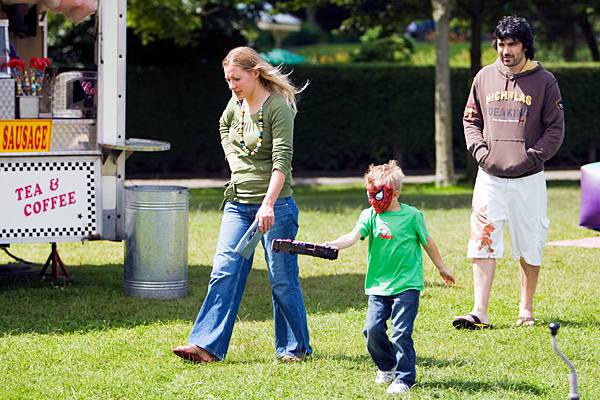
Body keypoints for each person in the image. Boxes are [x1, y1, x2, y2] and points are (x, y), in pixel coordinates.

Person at [173, 46, 312, 362]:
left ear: (255, 73)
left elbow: (282, 161)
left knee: (282, 279)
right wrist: (233, 160)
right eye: (228, 80)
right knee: (224, 270)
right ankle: (206, 346)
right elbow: (223, 127)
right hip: (237, 205)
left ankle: (294, 348)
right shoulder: (235, 105)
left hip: (276, 208)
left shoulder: (278, 108)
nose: (232, 85)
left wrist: (268, 205)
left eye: (236, 78)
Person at [454, 16, 564, 330]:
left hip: (529, 179)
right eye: (501, 44)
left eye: (512, 44)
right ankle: (479, 312)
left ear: (525, 45)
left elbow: (555, 129)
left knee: (530, 243)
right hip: (489, 178)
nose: (505, 51)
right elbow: (470, 120)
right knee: (482, 241)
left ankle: (526, 311)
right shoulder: (485, 77)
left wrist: (531, 157)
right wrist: (481, 153)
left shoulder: (545, 81)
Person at [324, 160, 455, 395]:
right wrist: (333, 244)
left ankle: (405, 377)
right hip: (378, 286)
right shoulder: (370, 216)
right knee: (372, 330)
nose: (374, 199)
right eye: (370, 193)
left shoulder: (412, 216)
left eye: (379, 193)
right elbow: (353, 236)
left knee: (400, 332)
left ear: (395, 193)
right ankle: (387, 365)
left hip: (407, 286)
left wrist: (441, 268)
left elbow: (428, 242)